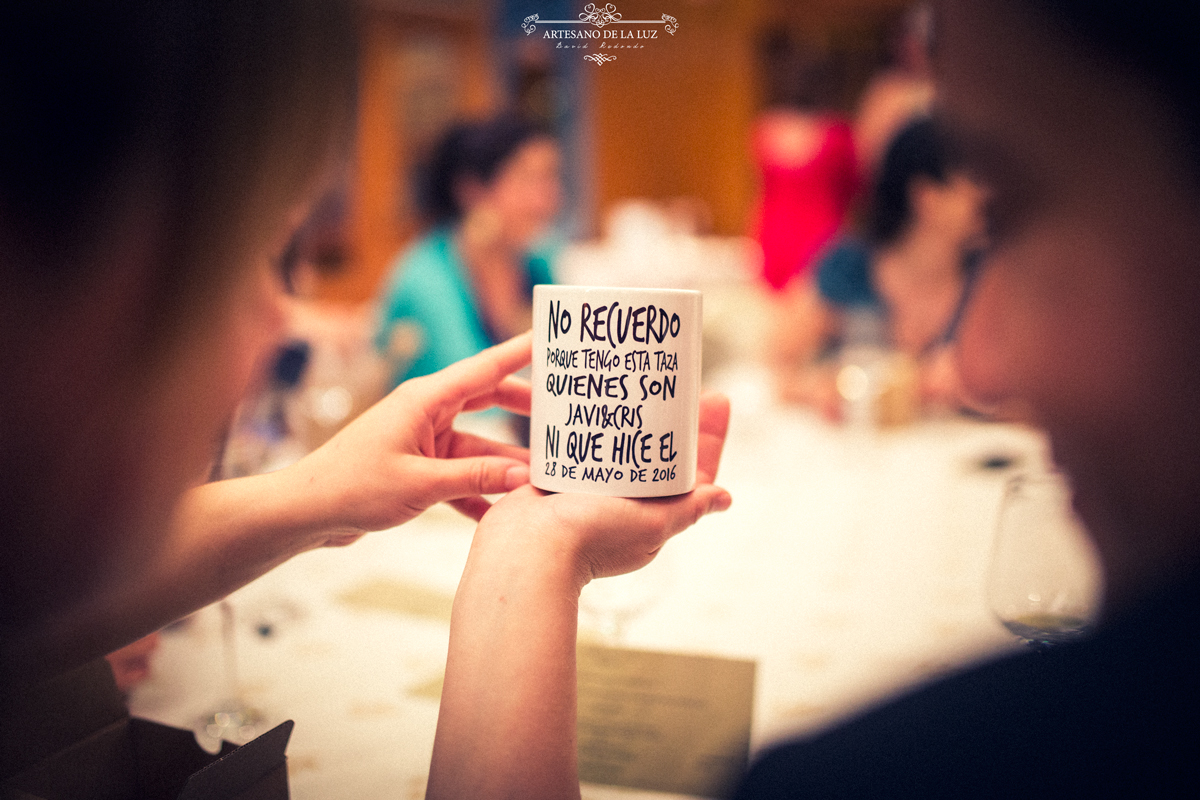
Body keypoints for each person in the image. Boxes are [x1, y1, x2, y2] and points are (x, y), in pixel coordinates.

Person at [0, 1, 732, 793]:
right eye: (241, 247)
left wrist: (321, 497)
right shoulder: (429, 270)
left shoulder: (535, 260)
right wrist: (536, 557)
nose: (281, 321)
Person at [771, 117, 987, 421]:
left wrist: (980, 392)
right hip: (854, 457)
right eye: (975, 181)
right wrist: (825, 388)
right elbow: (772, 366)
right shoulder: (850, 265)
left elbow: (1033, 397)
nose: (988, 196)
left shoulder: (990, 276)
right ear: (927, 197)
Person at [375, 115, 562, 386]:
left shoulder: (537, 264)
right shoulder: (426, 277)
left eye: (552, 177)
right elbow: (475, 395)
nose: (548, 198)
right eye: (528, 179)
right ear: (472, 190)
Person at [751, 34, 860, 292]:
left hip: (773, 237)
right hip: (822, 244)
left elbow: (763, 191)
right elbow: (855, 190)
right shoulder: (837, 136)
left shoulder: (767, 129)